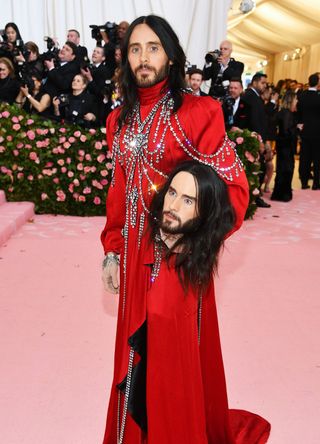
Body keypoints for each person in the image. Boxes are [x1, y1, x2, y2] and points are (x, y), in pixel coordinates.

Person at [100, 14, 270, 444]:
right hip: (135, 265)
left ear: (171, 55)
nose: (143, 57)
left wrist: (190, 244)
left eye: (153, 47)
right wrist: (113, 248)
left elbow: (234, 189)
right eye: (135, 49)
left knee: (173, 364)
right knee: (136, 359)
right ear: (125, 60)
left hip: (178, 263)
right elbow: (120, 190)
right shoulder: (118, 120)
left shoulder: (199, 112)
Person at [243, 72, 272, 208]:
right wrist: (260, 141)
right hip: (254, 139)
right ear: (254, 82)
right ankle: (254, 197)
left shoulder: (256, 97)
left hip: (258, 138)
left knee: (259, 168)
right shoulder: (250, 96)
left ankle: (256, 196)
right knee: (256, 169)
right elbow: (254, 121)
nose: (265, 85)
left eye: (265, 83)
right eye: (263, 83)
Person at [271, 90, 297, 202]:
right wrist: (297, 129)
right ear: (291, 100)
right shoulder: (287, 113)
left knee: (282, 168)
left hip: (282, 145)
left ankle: (279, 193)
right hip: (286, 145)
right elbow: (287, 131)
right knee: (286, 169)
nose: (297, 101)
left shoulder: (282, 112)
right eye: (296, 99)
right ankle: (283, 194)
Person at [296, 72, 320, 190]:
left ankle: (304, 182)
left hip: (304, 130)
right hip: (317, 132)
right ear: (318, 83)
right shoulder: (319, 97)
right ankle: (316, 183)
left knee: (304, 157)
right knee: (317, 158)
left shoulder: (302, 96)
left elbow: (298, 114)